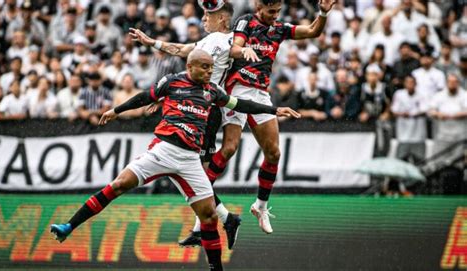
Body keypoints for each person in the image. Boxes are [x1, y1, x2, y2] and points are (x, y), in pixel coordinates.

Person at [50, 49, 300, 271]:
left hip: (190, 160)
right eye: (205, 67)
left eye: (212, 68)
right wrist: (116, 111)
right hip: (163, 150)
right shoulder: (171, 82)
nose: (209, 72)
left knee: (210, 218)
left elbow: (242, 104)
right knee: (118, 185)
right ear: (189, 66)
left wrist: (273, 110)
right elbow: (144, 97)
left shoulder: (213, 91)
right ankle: (69, 226)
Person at [209, 0, 335, 234]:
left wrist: (323, 13)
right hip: (237, 88)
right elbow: (234, 47)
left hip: (260, 93)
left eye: (277, 12)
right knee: (229, 149)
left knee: (274, 153)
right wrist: (243, 49)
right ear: (259, 7)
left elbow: (313, 31)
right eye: (270, 12)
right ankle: (202, 188)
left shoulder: (280, 29)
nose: (274, 16)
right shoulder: (246, 21)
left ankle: (260, 206)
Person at [129, 2, 247, 249]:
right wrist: (153, 43)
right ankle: (221, 220)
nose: (204, 17)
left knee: (193, 173)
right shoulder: (206, 42)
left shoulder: (227, 40)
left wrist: (247, 52)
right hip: (197, 107)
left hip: (207, 110)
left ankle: (221, 220)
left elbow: (238, 50)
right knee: (194, 173)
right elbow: (181, 49)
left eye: (210, 14)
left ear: (224, 21)